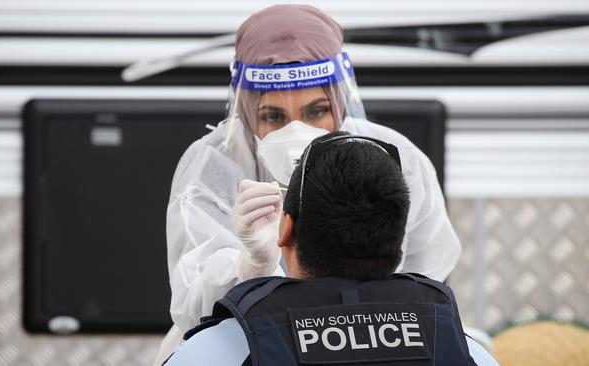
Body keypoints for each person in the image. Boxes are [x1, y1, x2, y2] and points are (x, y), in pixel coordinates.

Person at [158, 4, 461, 362]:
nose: (297, 132)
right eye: (272, 115)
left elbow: (423, 274)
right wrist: (249, 267)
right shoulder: (213, 165)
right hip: (242, 340)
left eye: (317, 111)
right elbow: (194, 312)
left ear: (338, 102)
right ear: (247, 110)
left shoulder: (394, 158)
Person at [164, 131, 498, 365]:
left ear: (286, 227)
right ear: (397, 238)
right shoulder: (457, 346)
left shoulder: (223, 348)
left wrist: (251, 266)